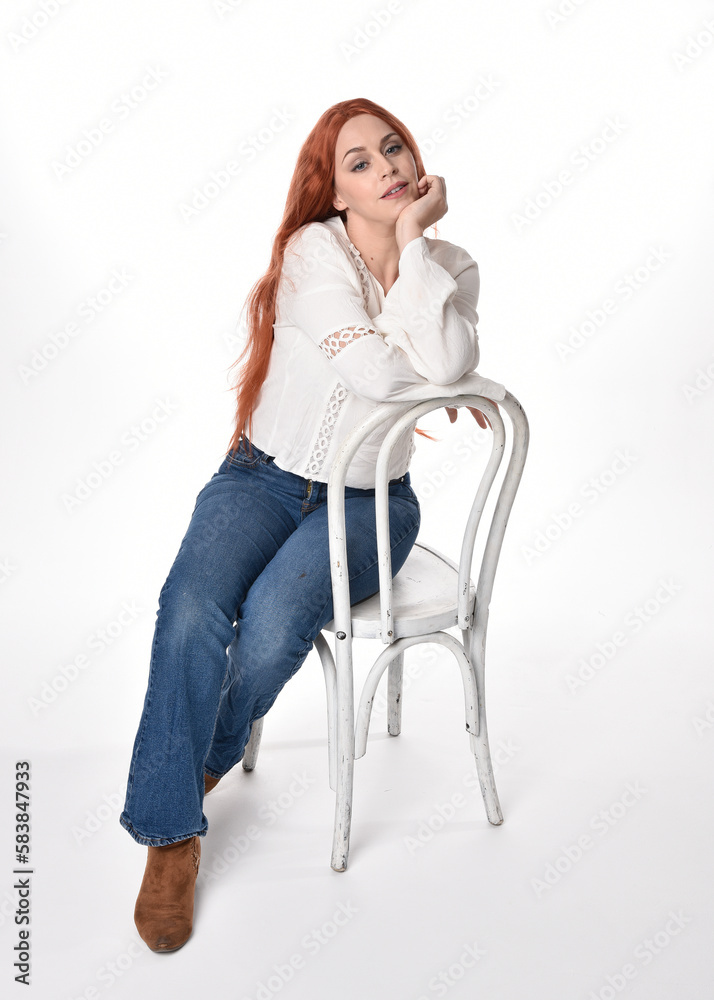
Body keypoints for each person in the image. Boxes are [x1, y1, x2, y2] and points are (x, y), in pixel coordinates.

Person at [119, 97, 504, 953]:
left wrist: (412, 249)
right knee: (188, 613)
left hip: (374, 501)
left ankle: (199, 762)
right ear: (332, 189)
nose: (388, 169)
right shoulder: (309, 252)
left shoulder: (452, 263)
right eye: (359, 161)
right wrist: (431, 368)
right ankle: (168, 834)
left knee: (273, 628)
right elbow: (381, 374)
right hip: (261, 478)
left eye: (394, 149)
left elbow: (438, 367)